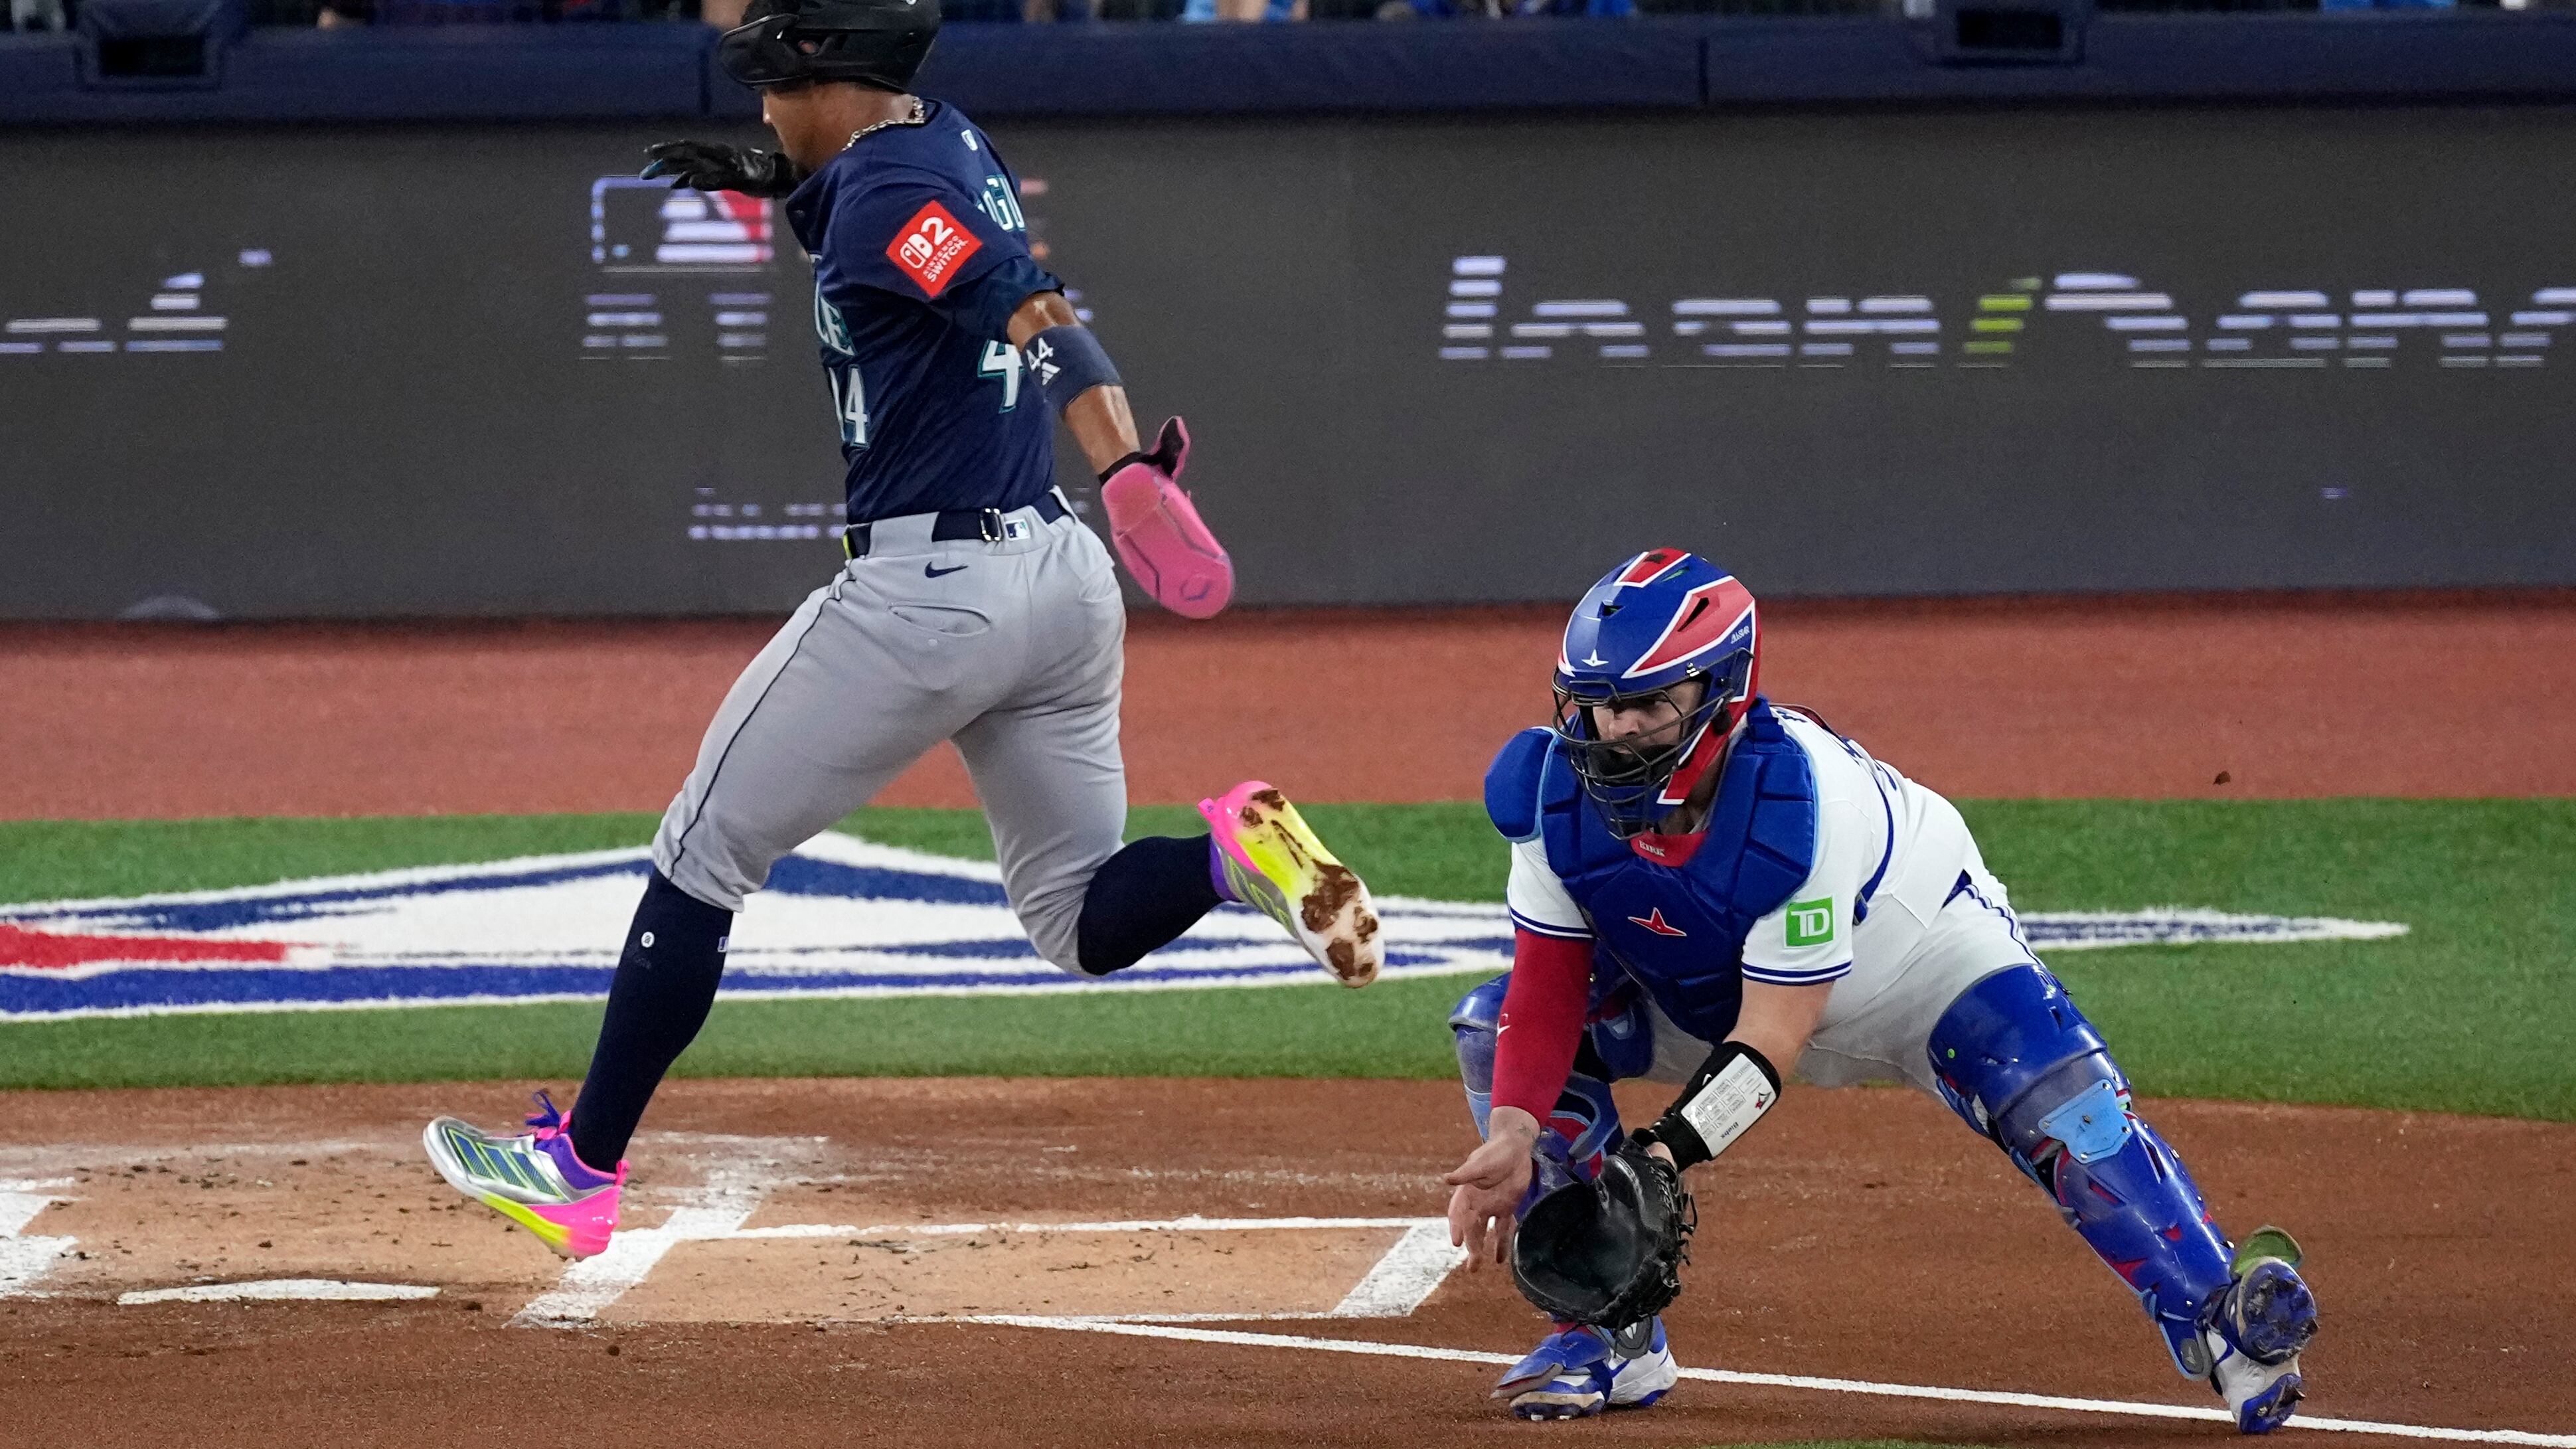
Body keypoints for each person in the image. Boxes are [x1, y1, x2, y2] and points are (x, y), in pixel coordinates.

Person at [420, 0, 1381, 1262]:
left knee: (702, 852)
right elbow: (908, 229)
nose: (762, 106)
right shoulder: (941, 138)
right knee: (1077, 918)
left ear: (828, 73)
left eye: (774, 87)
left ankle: (579, 1168)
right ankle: (1227, 855)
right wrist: (772, 176)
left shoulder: (884, 196)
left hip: (931, 597)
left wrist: (1126, 465)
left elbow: (1029, 306)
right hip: (1058, 583)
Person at [1439, 549, 2318, 1431]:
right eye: (1601, 703)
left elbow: (1773, 1037)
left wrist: (1663, 1154)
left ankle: (2223, 1325)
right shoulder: (1552, 797)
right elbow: (1545, 990)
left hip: (1922, 963)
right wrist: (1515, 1130)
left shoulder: (1799, 808)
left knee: (2063, 1102)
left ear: (1723, 693)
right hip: (1713, 991)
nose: (1618, 729)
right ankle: (1607, 1335)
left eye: (1650, 702)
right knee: (1491, 1027)